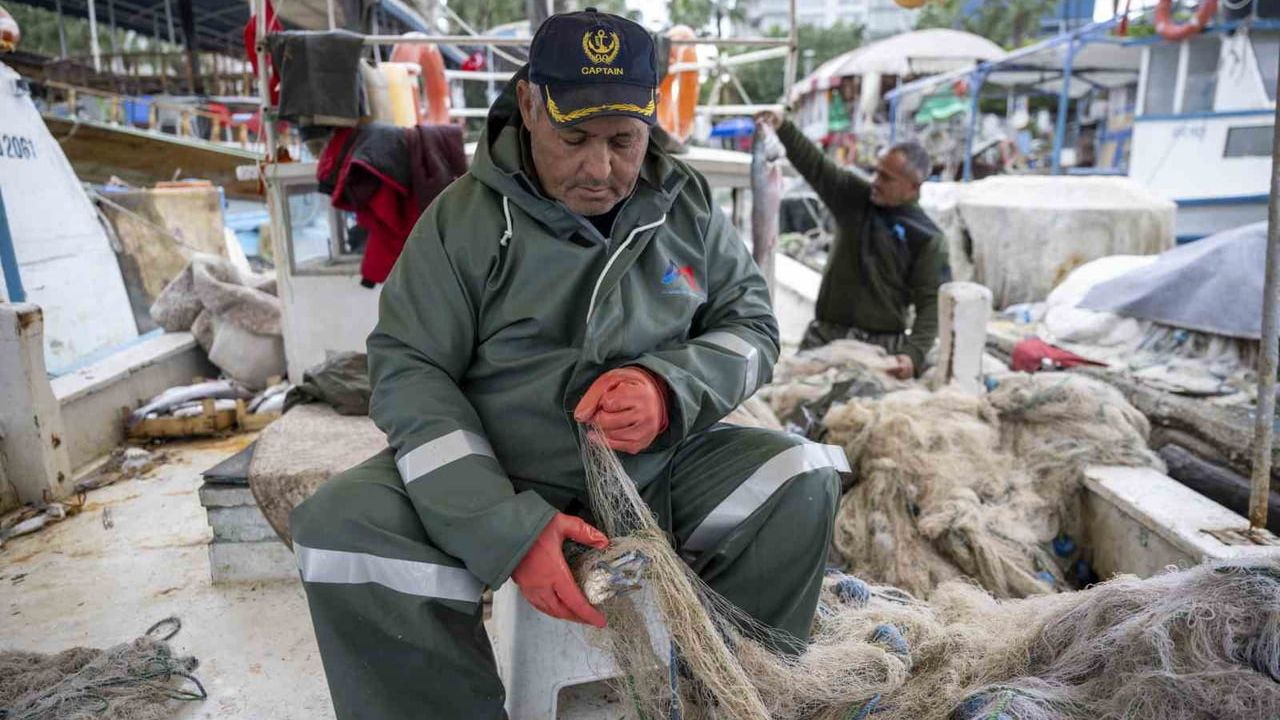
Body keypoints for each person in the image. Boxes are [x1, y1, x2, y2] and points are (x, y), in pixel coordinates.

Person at [290, 10, 848, 718]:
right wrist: (503, 528)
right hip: (498, 471)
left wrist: (667, 388)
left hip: (655, 476)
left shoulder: (689, 207)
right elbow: (410, 371)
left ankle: (733, 699)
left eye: (623, 139)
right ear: (528, 104)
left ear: (651, 118)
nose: (599, 167)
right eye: (573, 137)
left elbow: (752, 328)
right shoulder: (462, 222)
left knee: (798, 477)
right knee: (345, 529)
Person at [756, 110, 949, 379]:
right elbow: (817, 167)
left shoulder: (927, 237)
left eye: (887, 178)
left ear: (913, 187)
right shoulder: (856, 198)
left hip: (878, 346)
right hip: (825, 335)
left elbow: (930, 304)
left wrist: (912, 355)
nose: (875, 183)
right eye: (876, 173)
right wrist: (783, 127)